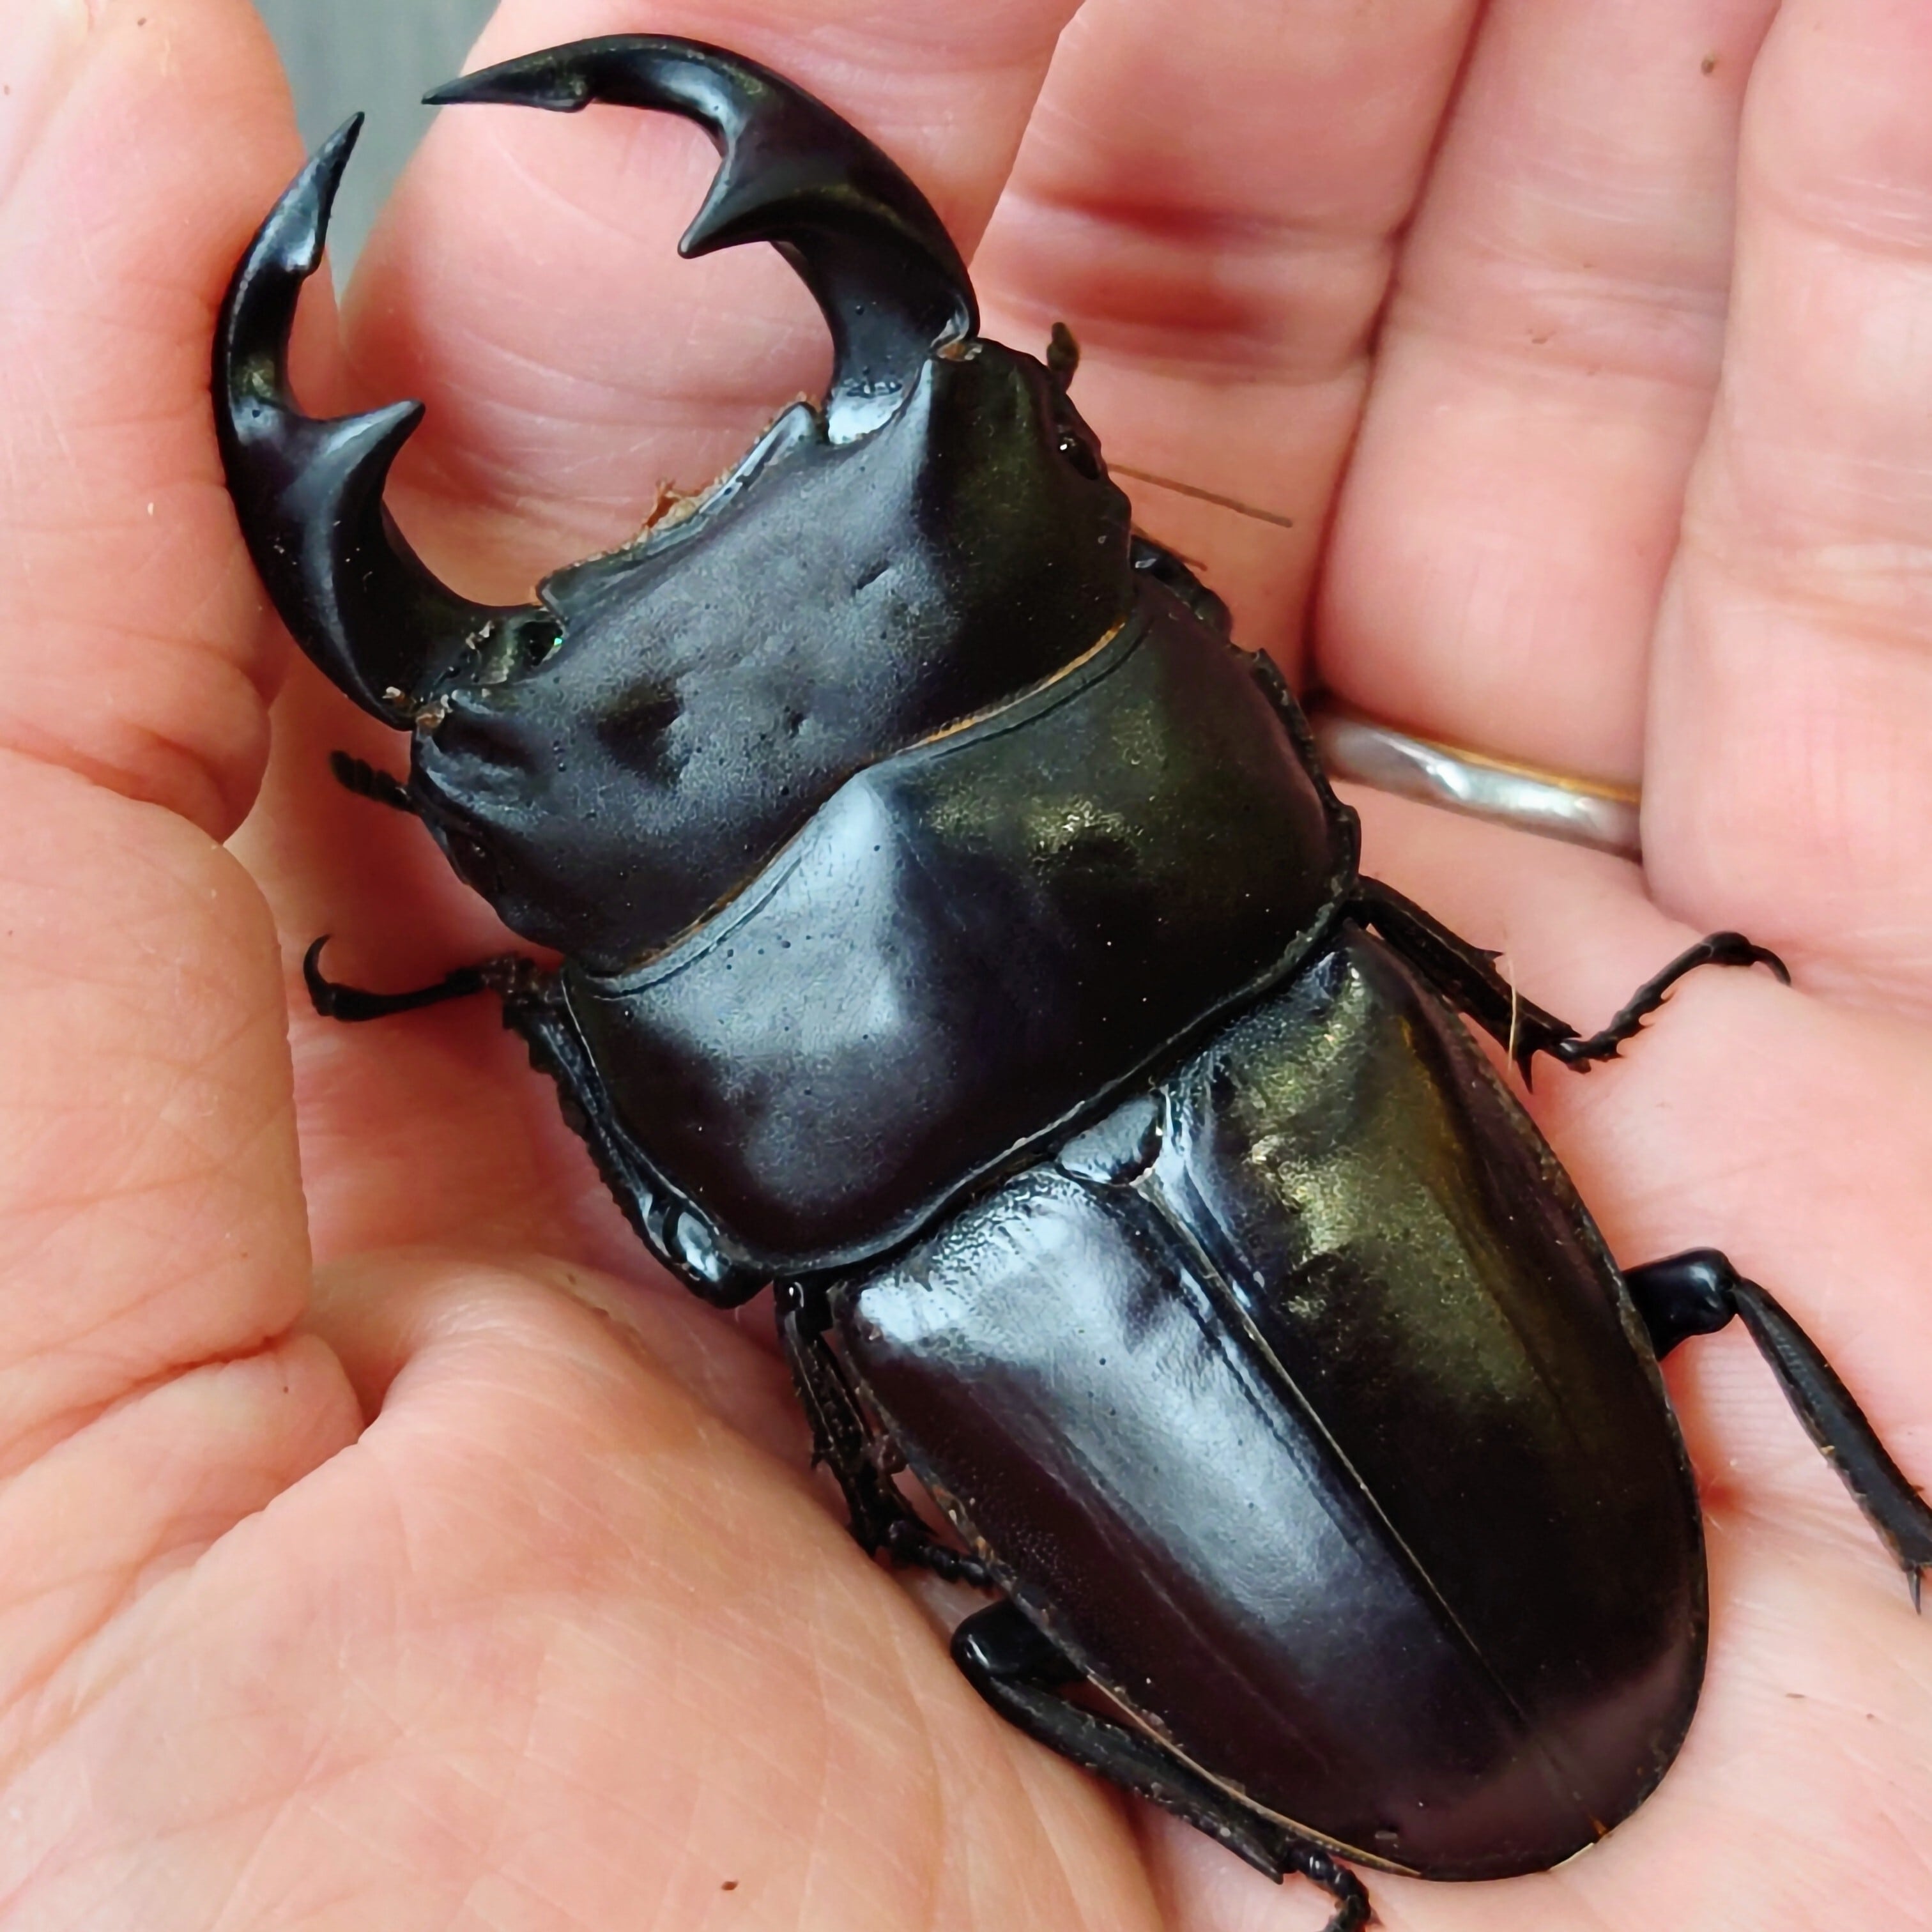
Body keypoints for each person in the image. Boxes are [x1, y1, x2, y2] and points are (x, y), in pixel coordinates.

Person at [0, 0, 1926, 1926]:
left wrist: (543, 990)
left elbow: (719, 1245)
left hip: (1261, 1580)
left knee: (998, 1640)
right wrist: (1558, 1033)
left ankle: (1300, 1869)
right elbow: (1317, 877)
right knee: (1706, 1291)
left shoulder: (902, 1255)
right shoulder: (1335, 975)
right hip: (1430, 1537)